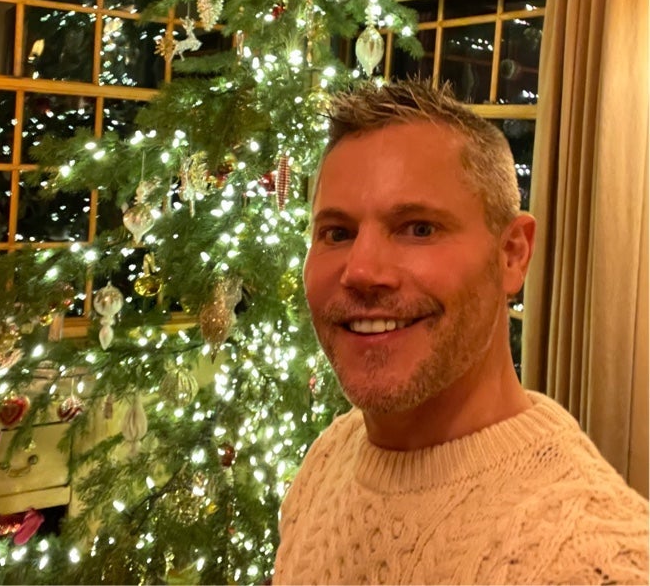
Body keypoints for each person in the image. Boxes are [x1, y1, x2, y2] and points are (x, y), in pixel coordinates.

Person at [273, 79, 649, 585]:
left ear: (512, 254)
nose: (360, 271)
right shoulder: (330, 457)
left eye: (418, 228)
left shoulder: (591, 559)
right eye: (337, 233)